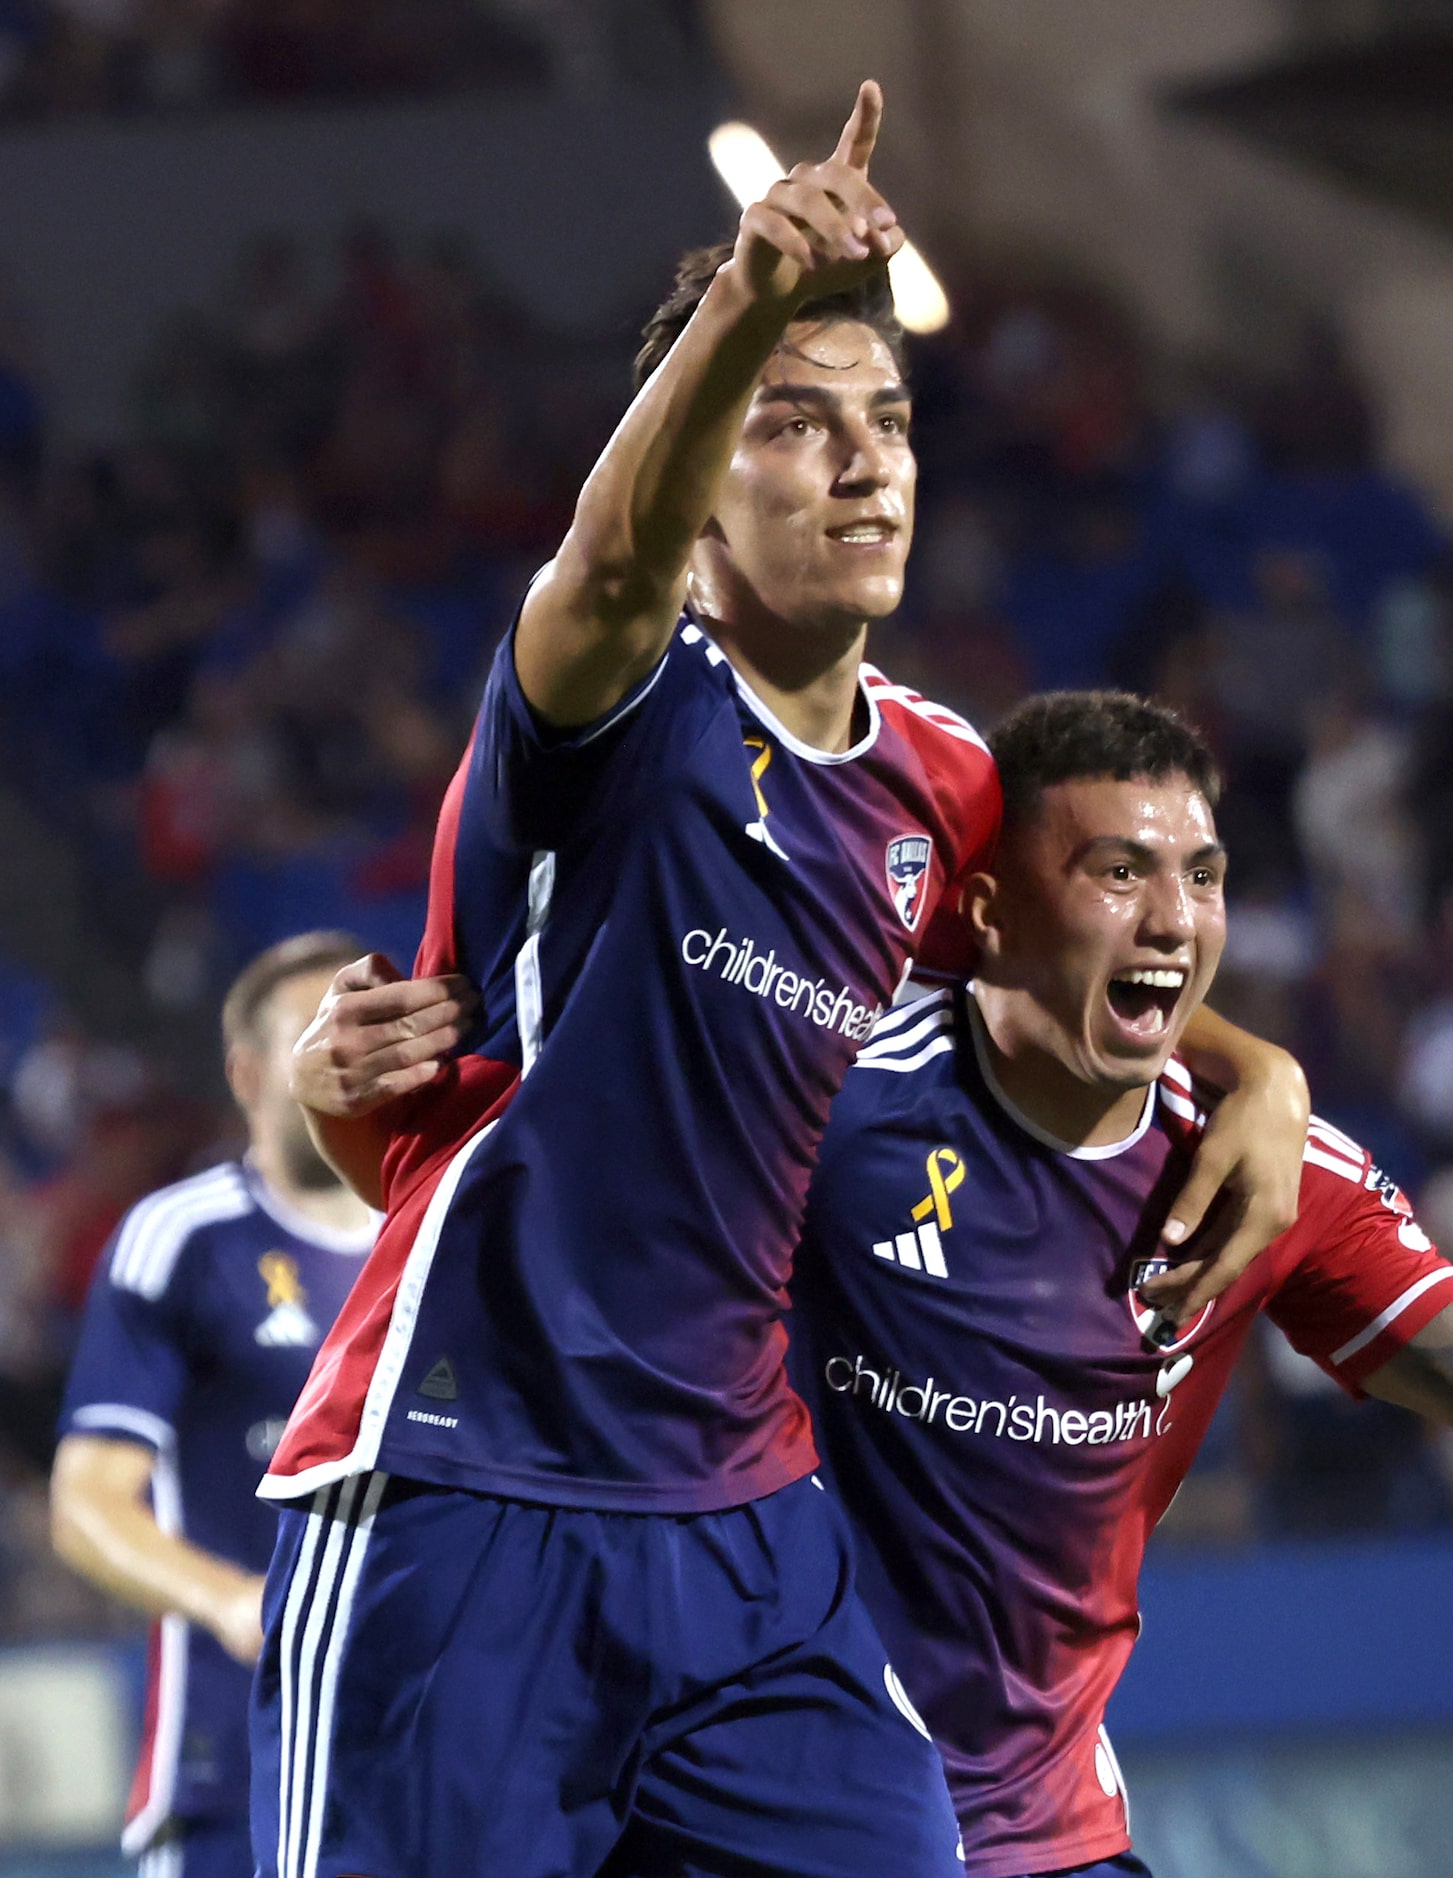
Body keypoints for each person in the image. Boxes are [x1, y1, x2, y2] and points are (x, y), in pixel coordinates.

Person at [256, 81, 1311, 1878]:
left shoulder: (948, 778)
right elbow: (606, 554)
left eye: (887, 422)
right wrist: (747, 291)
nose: (864, 463)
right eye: (794, 426)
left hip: (748, 1520)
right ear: (703, 479)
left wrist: (1262, 1075)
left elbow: (1078, 950)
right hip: (467, 1468)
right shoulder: (611, 702)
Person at [786, 690, 1453, 1877]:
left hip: (1041, 1832)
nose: (1174, 920)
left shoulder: (1275, 1177)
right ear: (992, 912)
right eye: (1120, 872)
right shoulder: (830, 1105)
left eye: (1204, 877)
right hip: (777, 1800)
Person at [50, 932, 378, 1878]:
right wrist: (233, 1602)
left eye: (363, 1026)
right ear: (245, 1072)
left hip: (432, 1759)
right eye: (313, 1031)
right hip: (236, 1773)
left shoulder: (456, 1234)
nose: (344, 1053)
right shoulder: (183, 1240)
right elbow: (87, 1503)